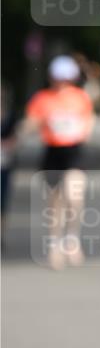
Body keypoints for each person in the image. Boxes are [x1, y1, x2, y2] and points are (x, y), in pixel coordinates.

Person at [23, 55, 95, 269]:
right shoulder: (42, 99)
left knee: (74, 194)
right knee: (56, 203)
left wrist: (84, 130)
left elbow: (88, 120)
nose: (61, 82)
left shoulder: (80, 97)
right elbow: (31, 122)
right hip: (52, 152)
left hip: (74, 151)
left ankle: (72, 239)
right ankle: (55, 244)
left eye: (65, 78)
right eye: (57, 78)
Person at [1, 82, 19, 250]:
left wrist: (8, 144)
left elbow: (15, 137)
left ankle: (1, 235)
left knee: (2, 201)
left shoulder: (10, 115)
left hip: (4, 164)